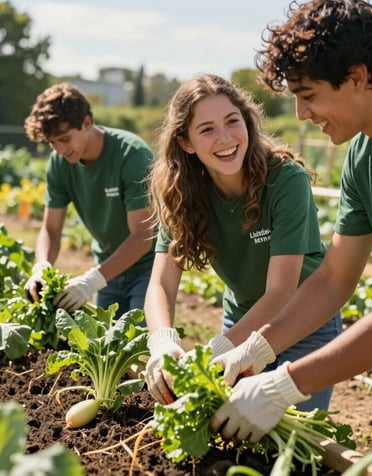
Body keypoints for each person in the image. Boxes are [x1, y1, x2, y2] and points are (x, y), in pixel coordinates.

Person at [210, 0, 372, 443]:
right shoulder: (362, 155)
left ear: (358, 76)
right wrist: (258, 348)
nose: (301, 115)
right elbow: (333, 278)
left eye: (309, 95)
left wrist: (286, 384)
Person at [144, 73, 342, 410]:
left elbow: (281, 292)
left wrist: (214, 351)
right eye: (206, 129)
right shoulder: (183, 194)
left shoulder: (284, 181)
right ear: (186, 143)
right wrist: (162, 341)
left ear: (247, 123)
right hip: (241, 319)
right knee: (231, 432)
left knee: (293, 435)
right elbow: (161, 282)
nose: (225, 138)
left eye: (232, 121)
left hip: (302, 323)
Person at [24, 82, 155, 317]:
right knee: (106, 348)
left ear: (86, 123)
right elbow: (51, 229)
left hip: (150, 267)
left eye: (64, 139)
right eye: (52, 143)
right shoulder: (59, 163)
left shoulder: (132, 155)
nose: (60, 150)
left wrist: (91, 281)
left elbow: (143, 236)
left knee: (140, 343)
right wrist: (42, 265)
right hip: (107, 266)